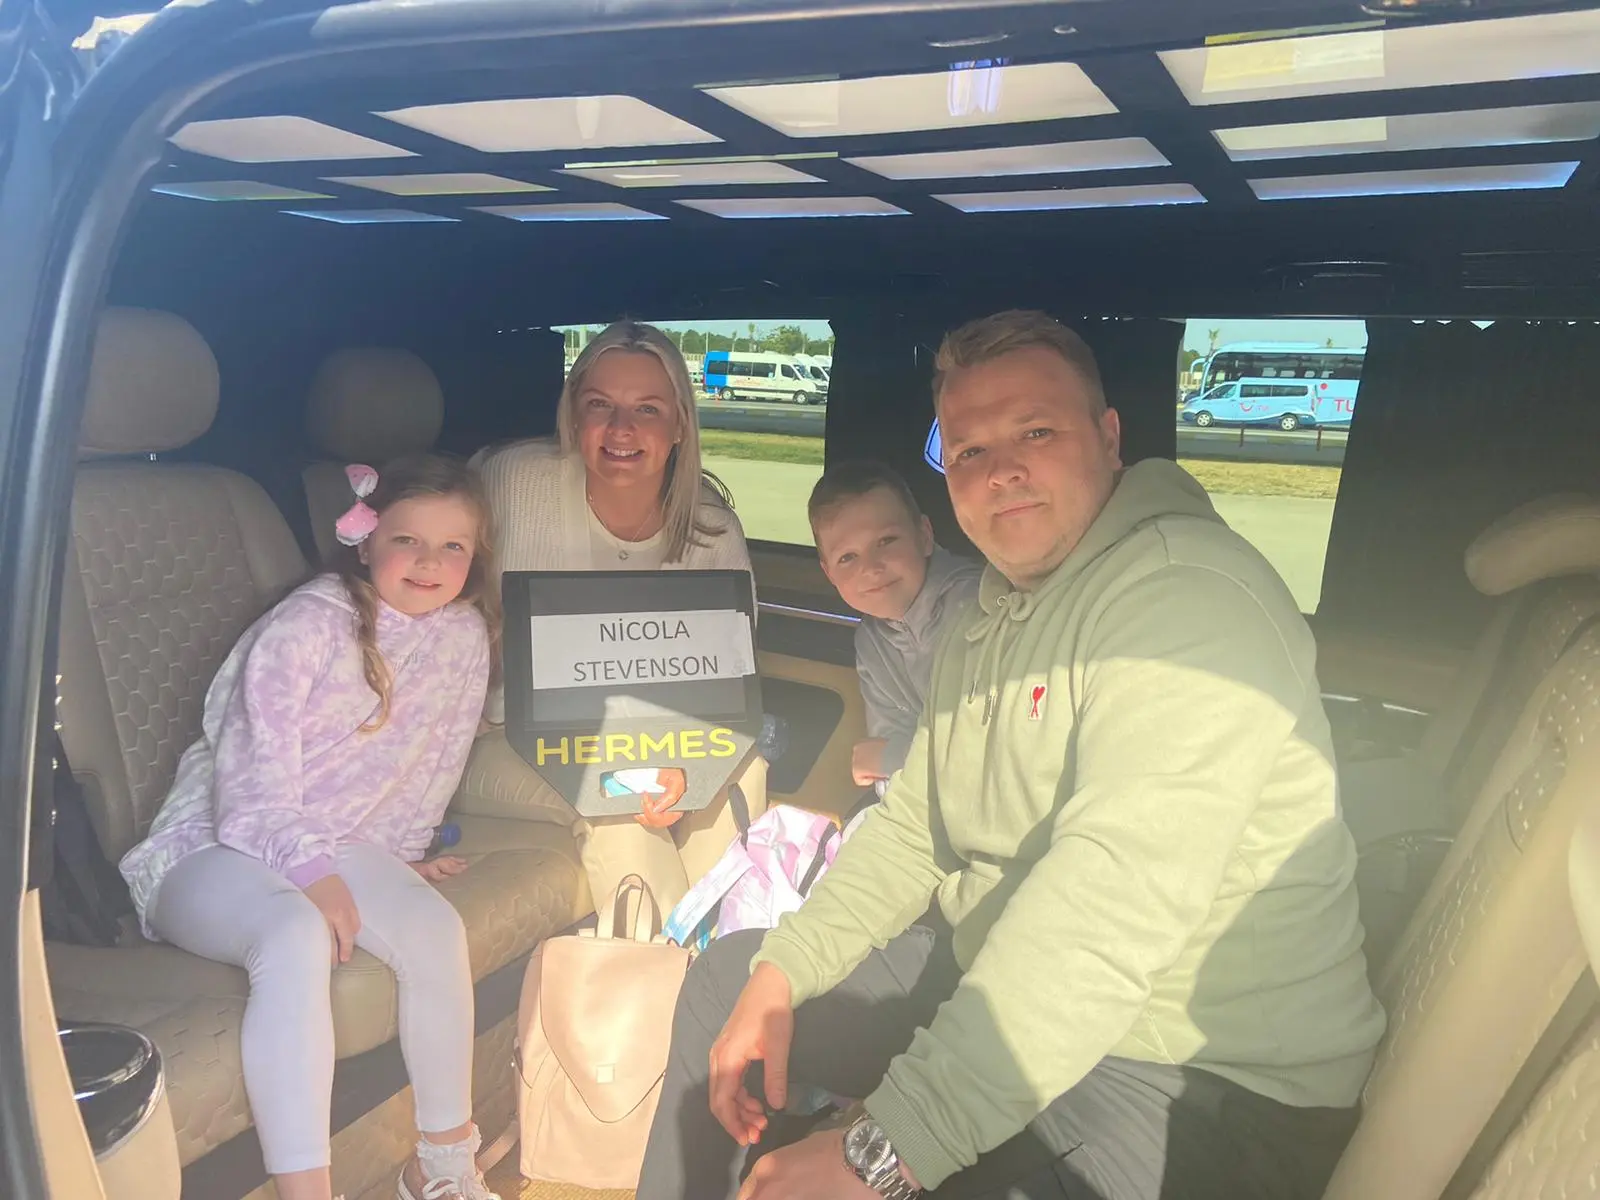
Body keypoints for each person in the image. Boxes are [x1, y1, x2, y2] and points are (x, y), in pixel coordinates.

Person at [637, 310, 1387, 1200]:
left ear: (1109, 438)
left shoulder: (1188, 600)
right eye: (969, 451)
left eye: (1036, 432)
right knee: (730, 988)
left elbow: (1106, 911)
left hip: (1196, 1075)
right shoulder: (995, 609)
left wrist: (881, 1149)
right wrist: (784, 970)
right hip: (1005, 972)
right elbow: (917, 825)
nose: (1001, 471)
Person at [118, 455, 502, 1200]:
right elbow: (248, 781)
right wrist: (312, 874)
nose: (428, 562)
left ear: (475, 557)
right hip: (212, 843)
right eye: (407, 540)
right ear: (365, 539)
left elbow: (434, 763)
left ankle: (443, 1165)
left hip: (333, 841)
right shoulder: (307, 623)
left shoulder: (462, 636)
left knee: (433, 927)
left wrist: (398, 857)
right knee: (295, 932)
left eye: (452, 546)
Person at [458, 320, 766, 918]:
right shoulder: (511, 485)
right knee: (620, 793)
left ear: (680, 425)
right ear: (573, 416)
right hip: (496, 738)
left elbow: (724, 692)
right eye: (600, 404)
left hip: (645, 738)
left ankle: (727, 949)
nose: (622, 428)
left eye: (647, 409)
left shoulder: (712, 532)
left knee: (741, 770)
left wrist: (688, 767)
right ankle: (672, 972)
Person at [807, 460, 981, 793]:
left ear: (924, 536)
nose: (871, 568)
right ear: (829, 574)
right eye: (847, 557)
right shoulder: (872, 641)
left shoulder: (978, 607)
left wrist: (892, 758)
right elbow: (887, 753)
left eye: (886, 541)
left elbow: (997, 749)